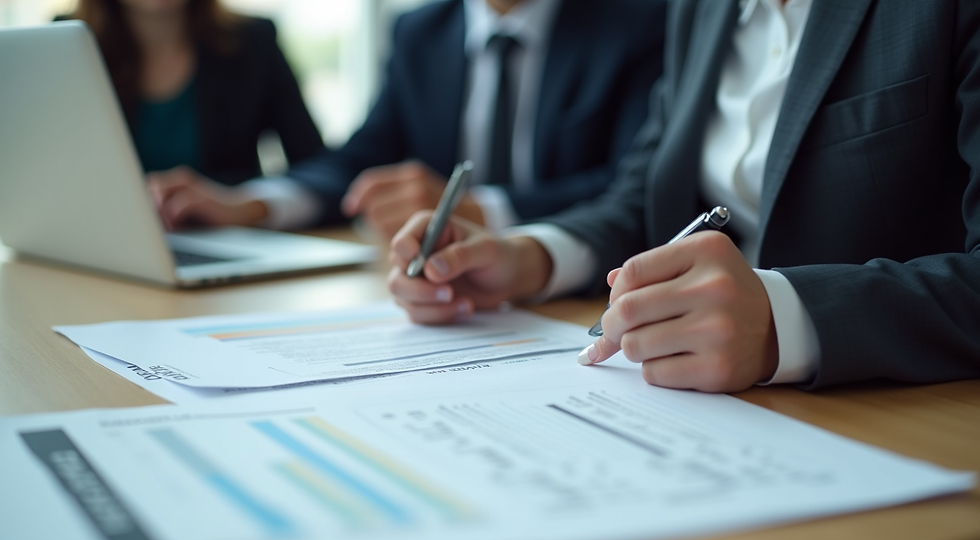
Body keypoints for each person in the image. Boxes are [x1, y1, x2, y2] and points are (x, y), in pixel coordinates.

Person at [387, 0, 980, 392]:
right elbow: (642, 193)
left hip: (874, 419)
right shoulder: (702, 7)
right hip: (692, 397)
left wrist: (782, 321)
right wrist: (527, 256)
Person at [149, 0, 667, 238]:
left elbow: (634, 186)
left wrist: (477, 211)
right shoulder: (420, 31)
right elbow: (361, 158)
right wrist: (251, 205)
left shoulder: (639, 24)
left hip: (579, 288)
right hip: (442, 291)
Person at [65, 0, 324, 228]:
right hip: (104, 241)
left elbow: (319, 170)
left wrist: (244, 204)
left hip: (222, 238)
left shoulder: (254, 42)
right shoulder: (66, 43)